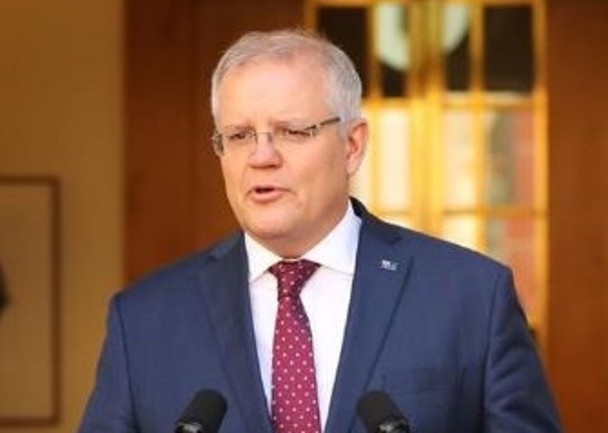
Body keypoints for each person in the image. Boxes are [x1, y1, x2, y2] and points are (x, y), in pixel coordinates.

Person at [79, 28, 562, 433]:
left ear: (352, 146)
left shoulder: (472, 298)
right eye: (239, 135)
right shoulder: (143, 321)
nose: (261, 156)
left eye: (292, 131)